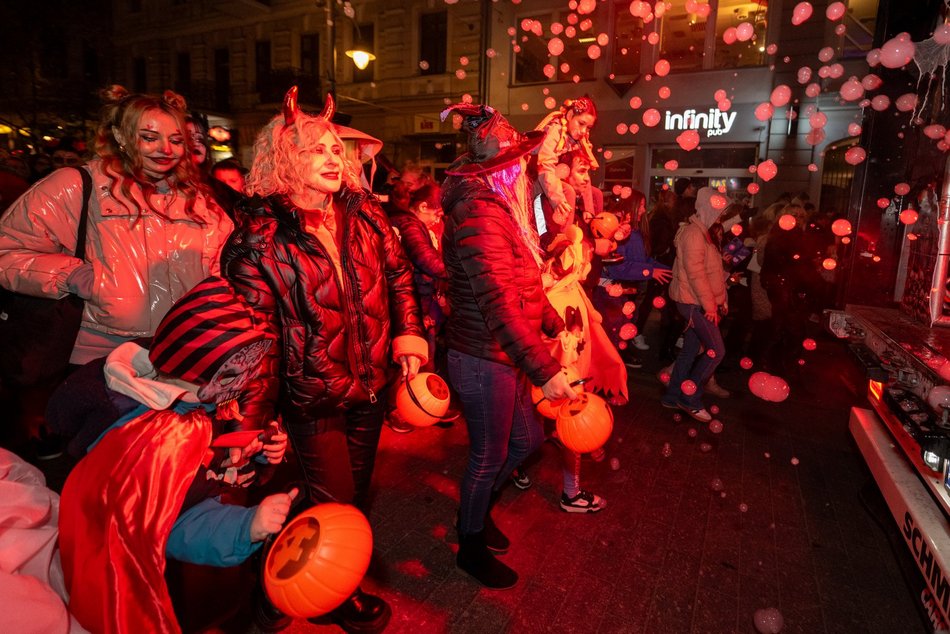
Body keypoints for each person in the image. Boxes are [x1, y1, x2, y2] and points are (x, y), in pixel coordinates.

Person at [223, 88, 426, 633]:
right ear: (285, 157)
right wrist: (251, 423)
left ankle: (280, 594)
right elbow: (256, 339)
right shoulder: (258, 238)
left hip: (367, 387)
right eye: (317, 150)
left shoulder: (366, 217)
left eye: (337, 148)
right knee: (333, 503)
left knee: (348, 497)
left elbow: (402, 279)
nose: (335, 158)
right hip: (310, 399)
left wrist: (409, 338)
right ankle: (312, 597)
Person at [0, 85, 232, 455]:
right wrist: (70, 275)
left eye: (175, 139)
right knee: (110, 473)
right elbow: (7, 250)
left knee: (169, 472)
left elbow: (224, 268)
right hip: (99, 360)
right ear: (122, 136)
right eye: (149, 137)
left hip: (179, 361)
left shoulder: (199, 200)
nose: (165, 149)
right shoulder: (77, 185)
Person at [58, 276, 295, 633]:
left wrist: (256, 449)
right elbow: (176, 526)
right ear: (194, 369)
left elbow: (205, 458)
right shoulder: (156, 440)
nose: (242, 385)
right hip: (152, 581)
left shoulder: (179, 403)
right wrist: (247, 527)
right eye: (232, 374)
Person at [440, 103, 577, 589]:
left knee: (527, 441)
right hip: (482, 358)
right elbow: (498, 302)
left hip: (506, 354)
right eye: (518, 161)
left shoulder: (505, 208)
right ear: (499, 168)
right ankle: (469, 543)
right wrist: (545, 370)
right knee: (487, 456)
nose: (525, 169)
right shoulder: (479, 211)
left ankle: (477, 515)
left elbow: (525, 279)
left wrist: (552, 319)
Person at [661, 187, 728, 422]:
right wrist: (711, 306)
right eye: (718, 211)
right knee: (716, 351)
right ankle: (690, 397)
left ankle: (673, 395)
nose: (720, 216)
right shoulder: (694, 234)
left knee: (690, 350)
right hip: (693, 302)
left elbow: (712, 273)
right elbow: (696, 274)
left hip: (698, 301)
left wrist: (721, 299)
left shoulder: (704, 233)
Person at [533, 96, 599, 228]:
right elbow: (545, 166)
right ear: (569, 115)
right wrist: (558, 200)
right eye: (581, 123)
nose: (583, 131)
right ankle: (563, 238)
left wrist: (588, 208)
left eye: (588, 127)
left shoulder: (579, 139)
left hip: (555, 177)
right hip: (535, 178)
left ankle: (592, 229)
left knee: (595, 193)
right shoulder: (555, 131)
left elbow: (584, 168)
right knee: (568, 191)